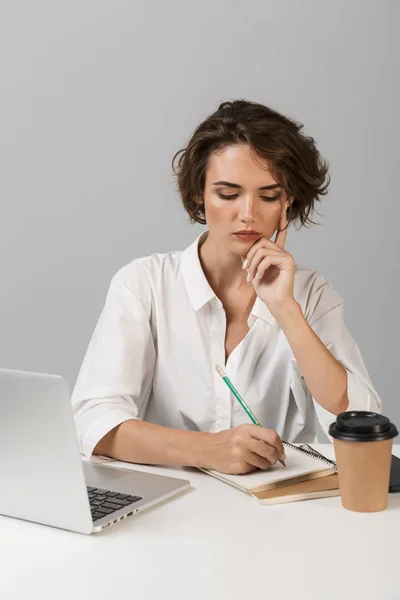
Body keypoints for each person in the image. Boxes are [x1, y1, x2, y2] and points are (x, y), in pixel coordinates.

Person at [71, 100, 381, 475]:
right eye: (228, 194)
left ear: (288, 202)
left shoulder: (312, 294)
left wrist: (284, 308)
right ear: (199, 193)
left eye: (268, 196)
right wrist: (208, 449)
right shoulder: (144, 284)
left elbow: (358, 420)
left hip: (279, 514)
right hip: (167, 512)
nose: (248, 213)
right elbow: (93, 421)